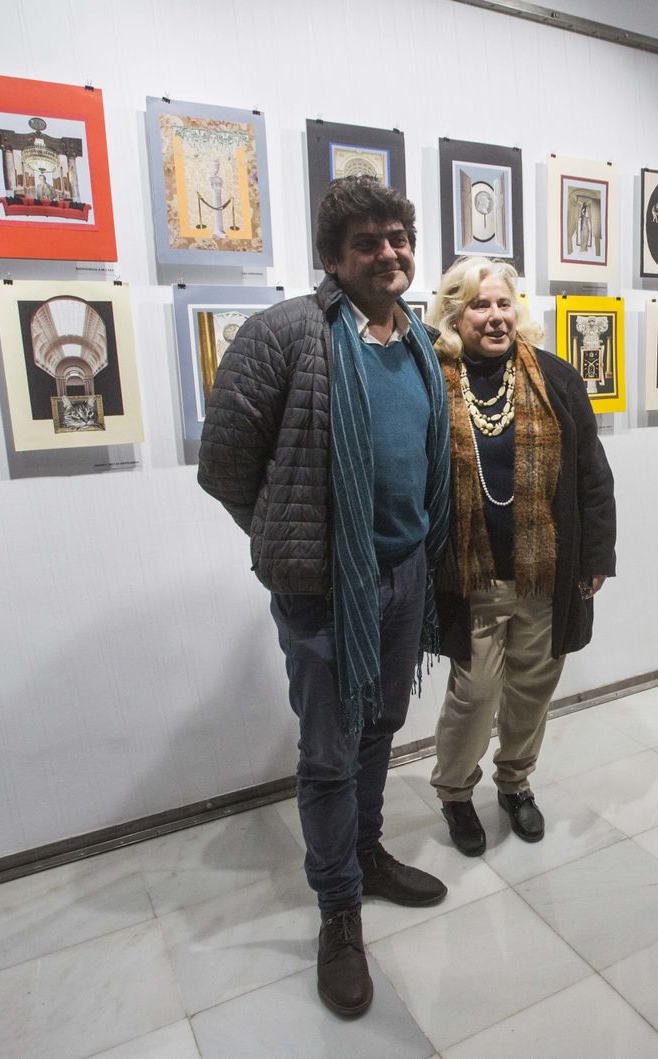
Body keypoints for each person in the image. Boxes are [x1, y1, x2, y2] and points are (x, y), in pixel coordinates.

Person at [197, 176, 453, 1018]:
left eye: (398, 236)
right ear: (332, 258)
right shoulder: (285, 336)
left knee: (380, 723)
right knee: (329, 748)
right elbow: (226, 465)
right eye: (369, 241)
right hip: (324, 587)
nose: (389, 252)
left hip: (406, 570)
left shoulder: (419, 339)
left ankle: (368, 852)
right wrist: (293, 538)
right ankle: (338, 908)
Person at [425, 257, 616, 856]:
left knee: (534, 684)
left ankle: (515, 783)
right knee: (476, 691)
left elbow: (591, 473)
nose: (495, 316)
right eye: (480, 305)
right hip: (470, 573)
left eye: (503, 304)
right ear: (455, 313)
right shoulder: (432, 379)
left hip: (544, 571)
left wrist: (596, 555)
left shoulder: (555, 378)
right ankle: (456, 792)